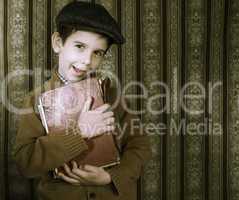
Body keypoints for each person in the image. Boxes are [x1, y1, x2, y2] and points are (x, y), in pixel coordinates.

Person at [13, 2, 151, 200]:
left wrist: (110, 177)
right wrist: (79, 132)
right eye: (80, 46)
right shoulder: (36, 100)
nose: (87, 60)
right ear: (58, 43)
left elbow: (140, 146)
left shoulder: (111, 95)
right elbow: (25, 163)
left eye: (97, 53)